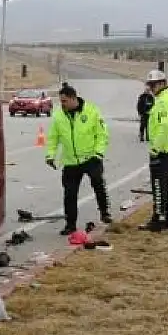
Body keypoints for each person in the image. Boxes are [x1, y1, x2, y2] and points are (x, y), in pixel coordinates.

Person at [45, 84, 112, 235]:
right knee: (69, 193)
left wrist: (99, 153)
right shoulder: (58, 116)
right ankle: (70, 224)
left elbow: (102, 134)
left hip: (91, 158)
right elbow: (53, 138)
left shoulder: (91, 111)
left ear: (74, 99)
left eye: (64, 101)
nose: (61, 104)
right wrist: (50, 155)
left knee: (98, 184)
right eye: (60, 101)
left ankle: (105, 212)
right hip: (70, 162)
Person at [140, 70, 168, 232]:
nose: (151, 88)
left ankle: (158, 220)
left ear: (162, 84)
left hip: (163, 150)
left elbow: (164, 126)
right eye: (149, 85)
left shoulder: (164, 101)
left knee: (159, 186)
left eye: (153, 85)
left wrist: (155, 149)